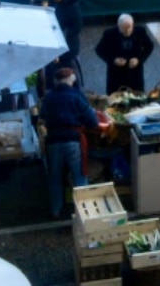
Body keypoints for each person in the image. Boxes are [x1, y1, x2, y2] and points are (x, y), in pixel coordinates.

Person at [39, 67, 99, 220]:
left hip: (53, 141)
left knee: (55, 177)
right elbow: (92, 122)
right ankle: (84, 211)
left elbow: (42, 117)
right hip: (73, 141)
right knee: (79, 175)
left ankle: (55, 211)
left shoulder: (49, 97)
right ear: (71, 80)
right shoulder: (77, 95)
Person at [95, 13, 154, 94]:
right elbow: (99, 50)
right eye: (125, 29)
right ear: (119, 26)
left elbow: (149, 46)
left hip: (134, 73)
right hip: (116, 74)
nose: (128, 31)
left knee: (137, 96)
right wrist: (113, 60)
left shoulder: (140, 31)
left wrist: (139, 59)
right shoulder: (109, 34)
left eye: (130, 27)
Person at [42, 0, 84, 90]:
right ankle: (54, 88)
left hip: (68, 45)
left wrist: (63, 39)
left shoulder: (72, 7)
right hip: (56, 42)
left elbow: (77, 27)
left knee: (67, 69)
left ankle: (75, 89)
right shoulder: (55, 3)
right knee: (53, 67)